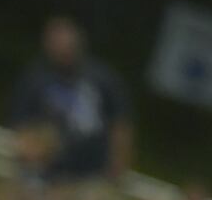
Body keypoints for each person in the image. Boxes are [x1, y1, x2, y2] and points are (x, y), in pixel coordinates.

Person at [9, 17, 133, 184]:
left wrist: (118, 165)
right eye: (55, 42)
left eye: (66, 42)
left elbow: (121, 124)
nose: (62, 48)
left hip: (92, 174)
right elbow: (21, 125)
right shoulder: (35, 80)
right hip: (46, 172)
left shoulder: (102, 79)